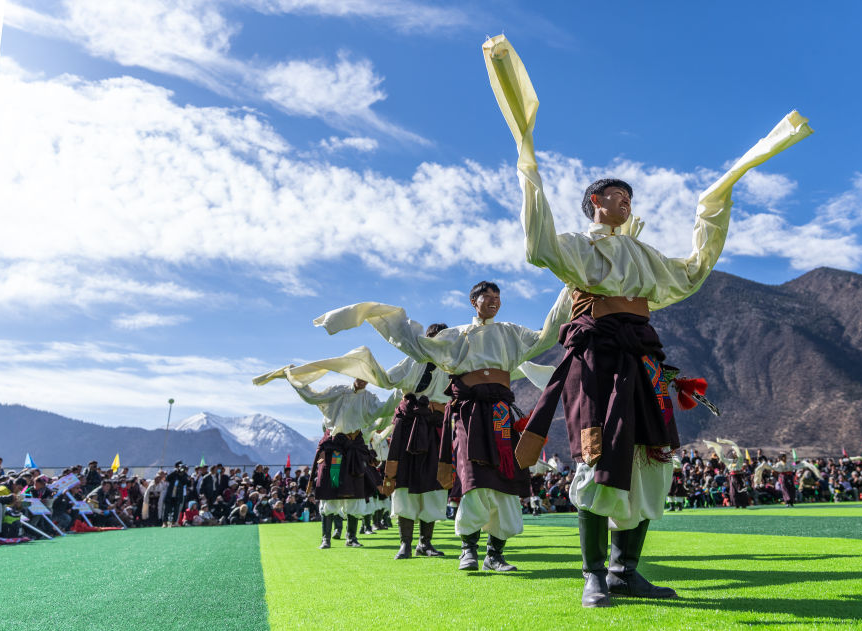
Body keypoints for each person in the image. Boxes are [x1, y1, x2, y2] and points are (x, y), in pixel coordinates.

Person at [482, 35, 813, 607]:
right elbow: (538, 246)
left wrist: (715, 202)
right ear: (594, 204)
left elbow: (690, 273)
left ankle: (624, 570)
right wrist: (528, 165)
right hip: (598, 358)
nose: (625, 200)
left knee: (649, 457)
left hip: (644, 355)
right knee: (597, 455)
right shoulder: (578, 252)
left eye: (629, 194)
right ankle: (590, 575)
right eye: (613, 193)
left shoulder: (646, 256)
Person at [314, 281, 568, 571]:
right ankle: (467, 549)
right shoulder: (456, 336)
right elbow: (417, 345)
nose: (495, 301)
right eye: (488, 296)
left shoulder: (510, 331)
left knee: (506, 477)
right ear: (475, 301)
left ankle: (494, 554)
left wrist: (570, 290)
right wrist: (376, 315)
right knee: (472, 478)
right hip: (469, 413)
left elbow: (545, 336)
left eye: (498, 297)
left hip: (499, 411)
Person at [254, 364, 399, 549]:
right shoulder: (338, 391)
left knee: (355, 494)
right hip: (335, 451)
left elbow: (385, 410)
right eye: (359, 376)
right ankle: (326, 538)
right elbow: (313, 397)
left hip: (354, 452)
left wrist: (400, 391)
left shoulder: (370, 398)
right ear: (354, 375)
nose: (362, 380)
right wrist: (294, 380)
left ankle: (351, 538)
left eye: (366, 378)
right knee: (330, 490)